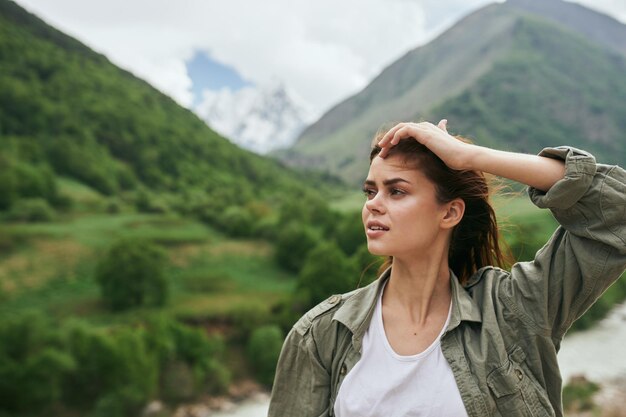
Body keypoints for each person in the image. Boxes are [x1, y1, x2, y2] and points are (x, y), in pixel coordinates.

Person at [268, 120, 626, 417]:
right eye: (370, 191)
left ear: (450, 213)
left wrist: (470, 156)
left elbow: (615, 209)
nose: (373, 205)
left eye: (396, 192)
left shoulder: (514, 311)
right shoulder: (321, 335)